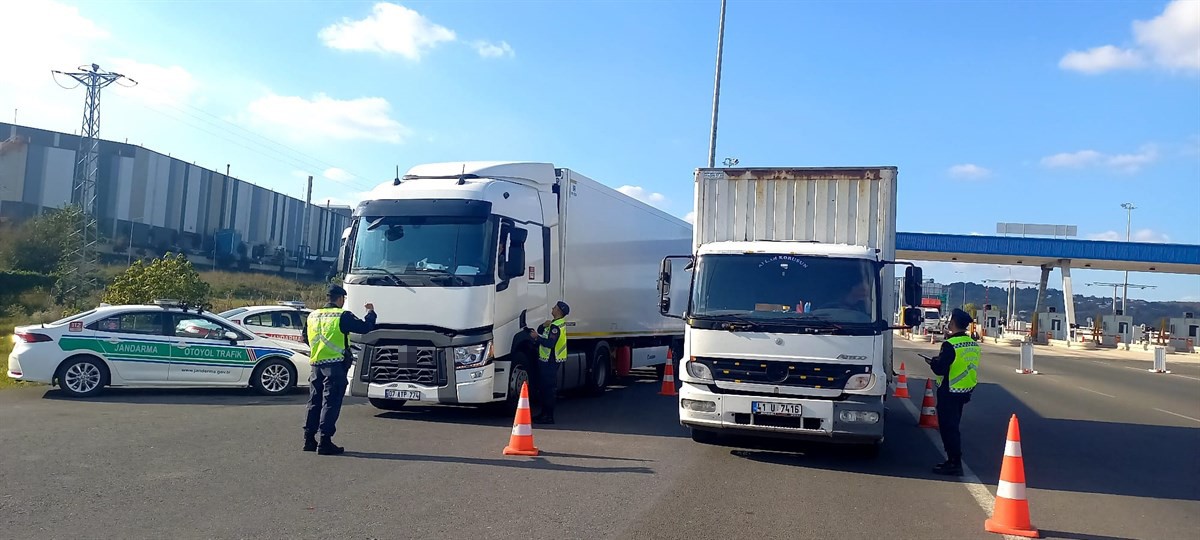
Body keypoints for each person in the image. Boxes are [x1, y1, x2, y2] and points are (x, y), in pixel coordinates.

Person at [301, 285, 377, 455]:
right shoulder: (342, 315)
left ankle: (309, 440)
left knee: (314, 402)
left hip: (316, 365)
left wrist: (319, 350)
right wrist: (370, 312)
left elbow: (305, 337)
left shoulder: (312, 315)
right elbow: (366, 328)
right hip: (335, 366)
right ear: (341, 299)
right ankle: (325, 442)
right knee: (330, 403)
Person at [925, 308, 980, 476]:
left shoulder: (950, 344)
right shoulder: (972, 344)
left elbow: (941, 369)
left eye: (950, 321)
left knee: (949, 429)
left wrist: (933, 362)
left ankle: (954, 463)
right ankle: (953, 460)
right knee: (954, 426)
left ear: (953, 323)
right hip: (965, 391)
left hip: (949, 391)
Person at [528, 301, 569, 425]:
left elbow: (550, 343)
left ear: (559, 311)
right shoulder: (553, 324)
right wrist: (542, 326)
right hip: (547, 360)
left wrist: (537, 337)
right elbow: (543, 332)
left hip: (551, 361)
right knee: (543, 388)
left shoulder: (556, 327)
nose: (552, 308)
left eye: (555, 307)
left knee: (548, 390)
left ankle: (548, 416)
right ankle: (543, 414)